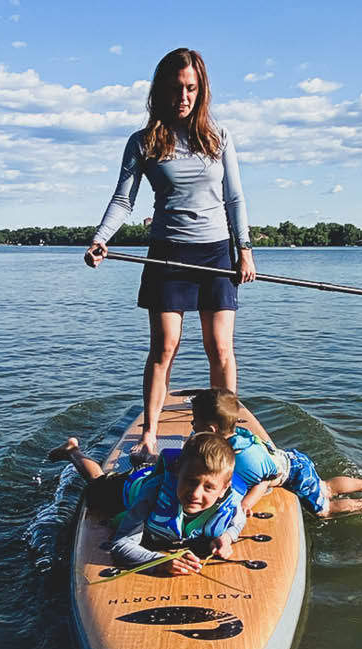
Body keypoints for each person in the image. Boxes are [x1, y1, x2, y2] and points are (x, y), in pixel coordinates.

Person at [84, 47, 255, 464]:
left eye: (192, 88)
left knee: (220, 348)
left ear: (202, 90)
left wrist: (244, 248)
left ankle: (227, 436)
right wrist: (101, 237)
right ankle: (149, 434)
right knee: (165, 347)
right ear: (162, 90)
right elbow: (124, 200)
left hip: (216, 252)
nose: (184, 97)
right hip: (166, 255)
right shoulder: (143, 141)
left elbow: (234, 197)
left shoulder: (219, 137)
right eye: (177, 88)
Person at [49, 432, 245, 576]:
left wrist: (227, 537)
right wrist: (159, 562)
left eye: (209, 487)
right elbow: (121, 544)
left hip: (160, 477)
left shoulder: (231, 502)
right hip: (129, 488)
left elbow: (238, 522)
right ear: (177, 473)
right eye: (191, 481)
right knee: (96, 484)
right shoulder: (152, 493)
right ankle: (73, 450)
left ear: (223, 488)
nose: (195, 494)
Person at [188, 388, 362, 517]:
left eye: (195, 422)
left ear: (212, 429)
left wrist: (245, 505)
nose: (192, 424)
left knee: (323, 509)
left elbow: (263, 480)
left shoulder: (242, 458)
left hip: (294, 475)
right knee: (324, 486)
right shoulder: (238, 435)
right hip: (292, 459)